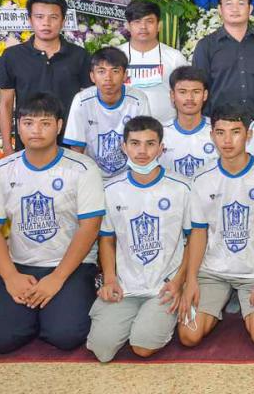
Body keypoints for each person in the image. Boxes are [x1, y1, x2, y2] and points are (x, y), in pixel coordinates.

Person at [0, 93, 104, 353]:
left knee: (65, 335)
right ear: (18, 126)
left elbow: (90, 227)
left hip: (70, 265)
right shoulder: (1, 171)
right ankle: (33, 314)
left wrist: (57, 278)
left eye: (45, 123)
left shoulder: (82, 168)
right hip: (22, 265)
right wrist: (10, 276)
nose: (36, 130)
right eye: (28, 123)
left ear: (59, 126)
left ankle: (55, 309)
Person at [86, 116, 191, 362]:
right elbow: (107, 238)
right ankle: (134, 318)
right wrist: (110, 278)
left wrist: (179, 281)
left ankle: (156, 320)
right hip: (126, 286)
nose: (142, 151)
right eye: (135, 143)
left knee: (142, 346)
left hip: (164, 286)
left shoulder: (182, 188)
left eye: (150, 144)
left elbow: (194, 240)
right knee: (102, 350)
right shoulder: (111, 190)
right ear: (124, 147)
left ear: (161, 148)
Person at [178, 104, 254, 349]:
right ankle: (218, 303)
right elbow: (198, 233)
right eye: (220, 132)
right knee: (189, 336)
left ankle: (241, 304)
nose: (227, 140)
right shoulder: (201, 178)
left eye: (235, 132)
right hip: (212, 271)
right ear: (211, 135)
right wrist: (191, 280)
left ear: (248, 135)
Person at [0, 0, 91, 154]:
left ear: (63, 21)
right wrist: (7, 146)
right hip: (27, 146)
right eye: (39, 17)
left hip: (70, 147)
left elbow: (88, 103)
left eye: (53, 17)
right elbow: (6, 104)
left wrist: (81, 147)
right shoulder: (12, 56)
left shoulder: (80, 55)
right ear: (30, 20)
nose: (46, 23)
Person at [192, 0, 254, 117]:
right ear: (220, 9)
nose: (235, 9)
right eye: (229, 3)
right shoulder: (206, 46)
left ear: (250, 9)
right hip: (221, 124)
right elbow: (198, 87)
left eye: (241, 3)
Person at [63, 47, 150, 180]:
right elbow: (77, 149)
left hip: (129, 175)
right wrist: (87, 179)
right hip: (92, 175)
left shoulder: (138, 100)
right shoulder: (81, 100)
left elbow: (144, 143)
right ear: (92, 76)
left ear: (125, 75)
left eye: (115, 71)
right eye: (101, 71)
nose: (108, 78)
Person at [116, 0, 188, 124]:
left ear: (159, 25)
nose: (143, 27)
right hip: (124, 127)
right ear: (127, 26)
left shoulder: (175, 57)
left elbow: (186, 93)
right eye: (137, 21)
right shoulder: (115, 56)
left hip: (166, 128)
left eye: (149, 21)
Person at [158, 66, 218, 179]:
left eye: (196, 92)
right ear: (172, 95)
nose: (190, 98)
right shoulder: (159, 133)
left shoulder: (219, 131)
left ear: (205, 95)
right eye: (183, 92)